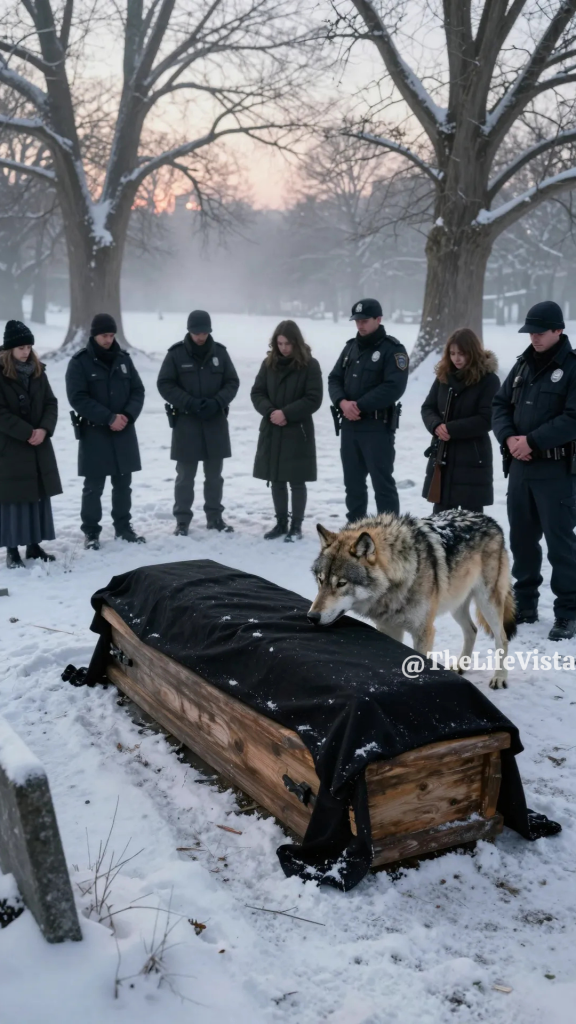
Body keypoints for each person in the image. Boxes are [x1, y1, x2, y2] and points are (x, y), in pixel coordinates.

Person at [492, 300, 576, 641]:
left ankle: (568, 612)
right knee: (522, 540)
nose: (534, 338)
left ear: (558, 330)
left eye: (540, 332)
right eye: (530, 332)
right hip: (521, 469)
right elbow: (499, 404)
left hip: (556, 470)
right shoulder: (522, 365)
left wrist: (533, 441)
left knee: (560, 544)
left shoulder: (572, 368)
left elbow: (573, 418)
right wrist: (509, 437)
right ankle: (525, 604)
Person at [65, 313, 145, 550]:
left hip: (123, 431)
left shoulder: (124, 359)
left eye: (111, 335)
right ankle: (91, 532)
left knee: (123, 485)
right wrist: (108, 418)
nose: (109, 340)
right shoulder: (79, 362)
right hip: (95, 433)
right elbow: (78, 398)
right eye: (104, 336)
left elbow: (138, 390)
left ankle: (123, 527)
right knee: (93, 487)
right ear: (94, 336)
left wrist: (127, 416)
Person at [157, 310, 239, 534]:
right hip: (186, 423)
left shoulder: (220, 353)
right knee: (185, 476)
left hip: (215, 422)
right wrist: (189, 402)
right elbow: (164, 384)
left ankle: (215, 518)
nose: (201, 337)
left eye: (204, 332)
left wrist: (217, 402)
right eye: (197, 333)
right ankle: (182, 520)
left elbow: (232, 382)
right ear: (189, 331)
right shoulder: (176, 354)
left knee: (214, 476)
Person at [327, 298, 408, 521]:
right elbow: (334, 378)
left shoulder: (392, 350)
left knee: (382, 484)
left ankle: (389, 533)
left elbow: (394, 387)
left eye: (364, 321)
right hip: (349, 426)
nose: (360, 325)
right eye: (357, 321)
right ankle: (355, 530)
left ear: (378, 319)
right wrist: (342, 402)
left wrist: (359, 406)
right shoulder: (350, 348)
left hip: (377, 427)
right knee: (352, 484)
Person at [251, 320, 323, 540]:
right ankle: (281, 523)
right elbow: (257, 393)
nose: (283, 348)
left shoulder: (310, 365)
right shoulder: (268, 364)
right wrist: (271, 411)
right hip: (273, 428)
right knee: (277, 479)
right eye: (280, 343)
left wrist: (287, 413)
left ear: (296, 342)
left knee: (297, 480)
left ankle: (296, 526)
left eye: (288, 344)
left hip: (297, 430)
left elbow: (313, 398)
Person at [0, 320, 62, 569]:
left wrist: (44, 429)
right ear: (10, 349)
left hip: (39, 445)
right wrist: (27, 432)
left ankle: (34, 545)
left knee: (37, 495)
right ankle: (12, 550)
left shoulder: (38, 371)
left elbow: (51, 403)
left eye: (28, 347)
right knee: (13, 498)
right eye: (21, 348)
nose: (26, 352)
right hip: (11, 447)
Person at [421, 328, 500, 513]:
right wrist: (436, 426)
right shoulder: (443, 376)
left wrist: (451, 429)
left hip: (472, 457)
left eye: (462, 353)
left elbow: (487, 418)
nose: (457, 358)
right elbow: (428, 407)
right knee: (440, 520)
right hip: (443, 454)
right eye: (453, 353)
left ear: (473, 352)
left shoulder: (488, 380)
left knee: (471, 522)